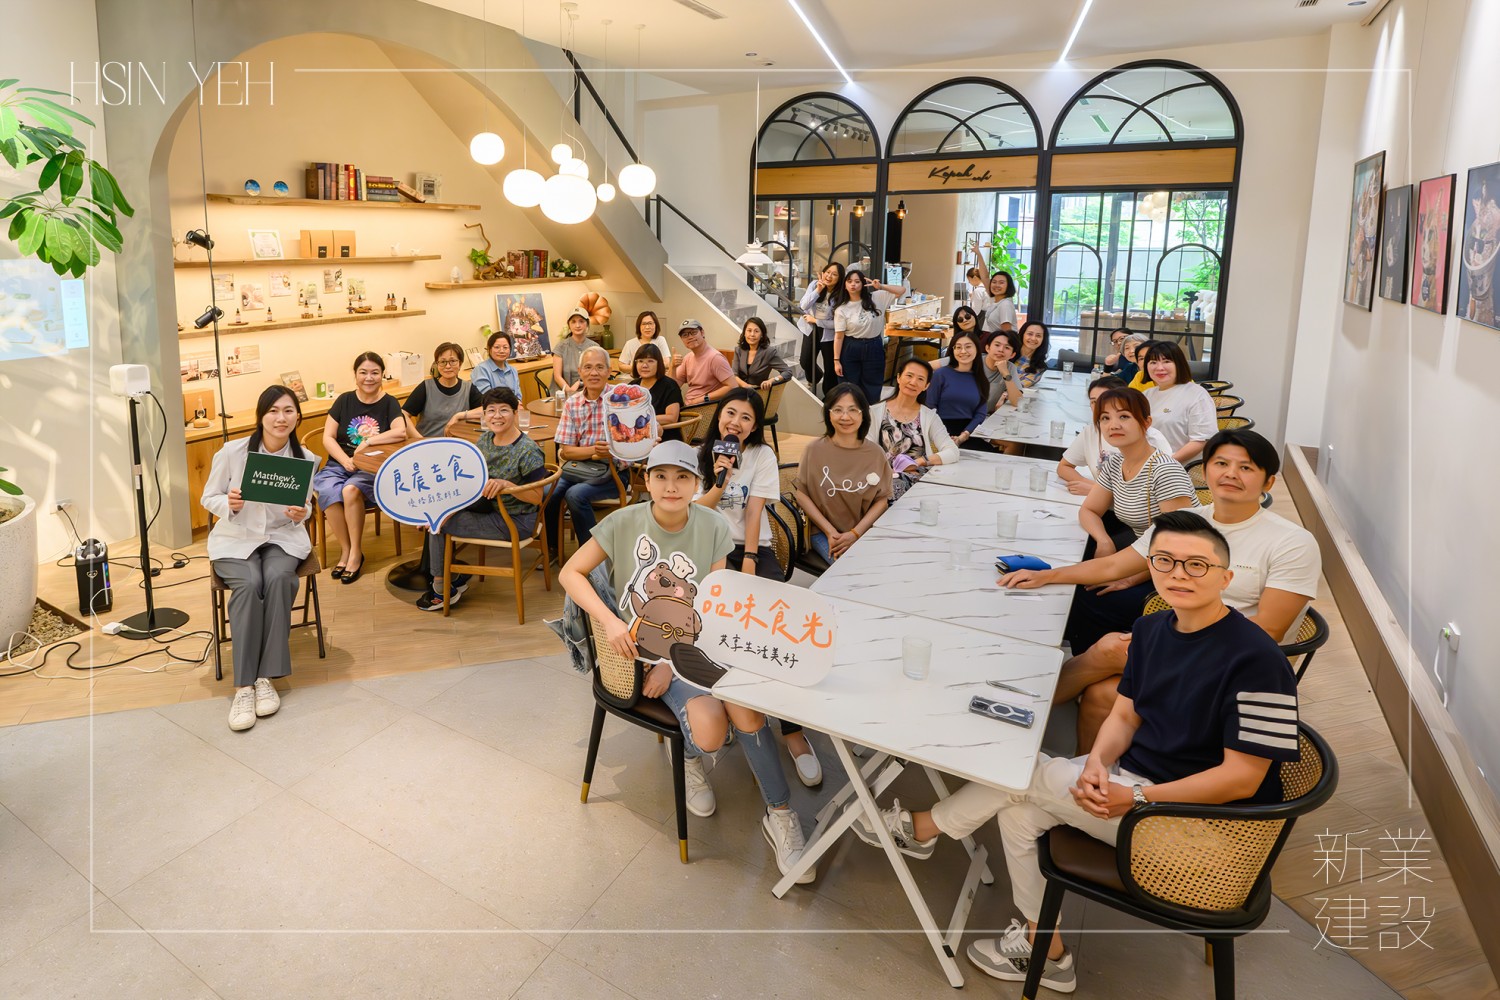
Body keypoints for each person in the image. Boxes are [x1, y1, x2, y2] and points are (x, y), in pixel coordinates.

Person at [852, 511, 1301, 992]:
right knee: (1020, 813)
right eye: (1165, 561)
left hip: (1207, 830)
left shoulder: (1257, 659)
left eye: (1196, 565)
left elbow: (1242, 779)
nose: (1178, 574)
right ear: (1149, 565)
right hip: (1142, 787)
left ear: (1225, 578)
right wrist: (1098, 762)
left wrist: (1138, 798)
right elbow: (1125, 716)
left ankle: (925, 828)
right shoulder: (1152, 630)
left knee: (1029, 775)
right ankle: (1047, 952)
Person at [561, 439, 817, 883]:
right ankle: (690, 757)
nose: (671, 486)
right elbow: (570, 572)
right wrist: (611, 621)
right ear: (647, 480)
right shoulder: (622, 522)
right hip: (641, 654)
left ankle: (780, 814)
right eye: (660, 476)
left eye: (682, 477)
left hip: (698, 649)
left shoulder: (712, 525)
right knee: (712, 736)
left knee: (746, 710)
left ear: (697, 483)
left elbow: (711, 607)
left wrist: (672, 664)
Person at [1006, 429, 1319, 751]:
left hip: (1237, 660)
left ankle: (1022, 706)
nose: (1230, 474)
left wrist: (1171, 642)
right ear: (1205, 470)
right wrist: (1049, 575)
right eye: (1221, 463)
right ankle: (1086, 767)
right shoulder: (1184, 522)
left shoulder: (1291, 542)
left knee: (1110, 648)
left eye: (1246, 468)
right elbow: (1113, 566)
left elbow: (1268, 629)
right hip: (1183, 635)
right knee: (1102, 693)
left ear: (1269, 482)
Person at [693, 389, 825, 787]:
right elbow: (697, 513)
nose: (736, 422)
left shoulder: (762, 455)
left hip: (752, 547)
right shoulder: (700, 454)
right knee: (711, 626)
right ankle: (733, 707)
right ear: (719, 416)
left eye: (746, 417)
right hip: (708, 547)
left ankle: (793, 733)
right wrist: (721, 477)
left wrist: (750, 559)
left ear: (754, 426)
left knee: (776, 630)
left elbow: (754, 512)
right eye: (730, 413)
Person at [202, 385, 316, 731]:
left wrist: (302, 512)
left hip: (282, 537)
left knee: (279, 578)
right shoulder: (232, 452)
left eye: (288, 410)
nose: (281, 418)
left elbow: (306, 506)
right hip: (236, 538)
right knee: (251, 583)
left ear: (298, 416)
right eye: (273, 411)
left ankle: (266, 677)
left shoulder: (305, 459)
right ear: (261, 416)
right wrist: (229, 504)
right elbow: (209, 496)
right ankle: (244, 686)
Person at [415, 387, 548, 612]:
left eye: (504, 410)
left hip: (515, 520)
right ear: (484, 415)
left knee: (438, 525)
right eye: (491, 410)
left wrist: (508, 486)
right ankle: (451, 578)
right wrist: (446, 509)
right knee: (436, 516)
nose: (497, 416)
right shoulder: (486, 440)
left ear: (515, 413)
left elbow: (536, 498)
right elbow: (470, 480)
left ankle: (442, 589)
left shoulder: (528, 451)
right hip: (488, 509)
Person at [311, 352, 408, 584]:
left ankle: (355, 552)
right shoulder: (344, 400)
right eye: (363, 372)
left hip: (371, 468)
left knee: (350, 490)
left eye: (375, 372)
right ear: (355, 375)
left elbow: (401, 431)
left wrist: (368, 442)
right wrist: (345, 460)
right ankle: (346, 550)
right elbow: (328, 437)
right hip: (339, 463)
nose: (369, 378)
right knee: (328, 491)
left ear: (382, 375)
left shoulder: (389, 402)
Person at [1077, 386, 1198, 563]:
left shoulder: (1165, 471)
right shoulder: (1115, 463)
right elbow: (1088, 510)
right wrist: (1104, 541)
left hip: (1173, 562)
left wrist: (1126, 576)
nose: (1113, 425)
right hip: (1143, 549)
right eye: (1105, 418)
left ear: (1146, 422)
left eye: (1124, 416)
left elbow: (1178, 544)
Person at [793, 384, 891, 563]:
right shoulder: (814, 450)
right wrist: (830, 532)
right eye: (838, 410)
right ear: (828, 414)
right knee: (851, 568)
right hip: (824, 532)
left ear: (863, 414)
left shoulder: (876, 453)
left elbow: (881, 501)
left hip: (864, 531)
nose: (845, 417)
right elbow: (802, 494)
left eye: (853, 410)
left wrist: (855, 534)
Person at [544, 345, 621, 555]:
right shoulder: (572, 403)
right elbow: (567, 452)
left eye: (599, 367)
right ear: (580, 372)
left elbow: (632, 444)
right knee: (548, 493)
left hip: (614, 471)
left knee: (575, 495)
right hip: (577, 468)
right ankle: (552, 548)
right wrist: (596, 451)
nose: (593, 373)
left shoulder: (621, 400)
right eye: (588, 367)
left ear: (609, 370)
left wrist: (611, 452)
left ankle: (590, 556)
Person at [1057, 375, 1170, 496]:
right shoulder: (1092, 431)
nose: (1099, 406)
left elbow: (1154, 494)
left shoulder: (1153, 440)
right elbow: (1064, 466)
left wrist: (1097, 491)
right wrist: (1093, 487)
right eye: (1094, 402)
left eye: (1124, 416)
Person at [867, 359, 960, 501]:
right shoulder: (874, 412)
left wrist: (921, 461)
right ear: (899, 378)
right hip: (881, 479)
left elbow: (952, 451)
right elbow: (866, 451)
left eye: (920, 379)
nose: (913, 382)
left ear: (926, 386)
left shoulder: (929, 416)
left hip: (916, 483)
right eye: (909, 376)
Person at [832, 268, 907, 407]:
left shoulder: (877, 297)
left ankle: (871, 414)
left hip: (874, 345)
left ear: (863, 284)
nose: (853, 284)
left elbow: (902, 290)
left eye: (857, 281)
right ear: (845, 285)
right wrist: (836, 360)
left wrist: (881, 286)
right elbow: (839, 337)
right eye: (849, 281)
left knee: (873, 385)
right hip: (851, 346)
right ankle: (853, 413)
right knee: (849, 387)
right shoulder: (841, 309)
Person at [1140, 340, 1217, 464]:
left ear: (1179, 364)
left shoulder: (1197, 394)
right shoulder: (1146, 395)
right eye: (1153, 362)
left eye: (1166, 361)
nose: (1159, 368)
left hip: (1181, 467)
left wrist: (1165, 464)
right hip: (1146, 464)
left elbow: (1200, 440)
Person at [404, 341, 483, 438]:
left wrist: (459, 415)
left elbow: (487, 410)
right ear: (437, 364)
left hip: (457, 444)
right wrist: (420, 440)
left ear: (460, 363)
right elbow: (403, 414)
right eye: (442, 362)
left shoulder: (468, 388)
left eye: (452, 361)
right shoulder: (426, 387)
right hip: (428, 443)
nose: (448, 366)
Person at [926, 329, 990, 449]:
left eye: (968, 347)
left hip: (967, 433)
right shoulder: (941, 374)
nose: (963, 351)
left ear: (977, 349)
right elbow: (930, 407)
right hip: (940, 430)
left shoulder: (982, 380)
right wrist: (942, 434)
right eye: (958, 347)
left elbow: (980, 415)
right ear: (953, 350)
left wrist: (963, 437)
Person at [798, 261, 844, 393]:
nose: (829, 276)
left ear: (840, 278)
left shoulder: (842, 294)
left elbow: (838, 323)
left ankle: (828, 396)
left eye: (834, 274)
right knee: (805, 361)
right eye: (828, 272)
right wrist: (818, 290)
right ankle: (816, 376)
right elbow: (803, 305)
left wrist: (817, 321)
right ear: (823, 273)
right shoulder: (814, 285)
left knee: (830, 367)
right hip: (810, 328)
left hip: (829, 333)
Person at [675, 319, 737, 408]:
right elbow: (673, 386)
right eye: (685, 335)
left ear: (702, 333)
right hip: (689, 406)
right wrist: (672, 366)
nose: (690, 337)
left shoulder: (715, 358)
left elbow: (733, 386)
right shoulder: (687, 358)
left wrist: (704, 399)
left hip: (706, 407)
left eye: (693, 332)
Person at [630, 343, 683, 441]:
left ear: (659, 364)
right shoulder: (632, 386)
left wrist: (641, 419)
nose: (644, 365)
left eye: (650, 361)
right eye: (640, 361)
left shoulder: (670, 385)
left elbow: (672, 418)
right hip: (634, 439)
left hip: (665, 439)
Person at [731, 316, 792, 390]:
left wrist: (772, 380)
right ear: (744, 333)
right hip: (739, 391)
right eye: (749, 330)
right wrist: (745, 386)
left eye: (756, 331)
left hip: (758, 393)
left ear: (762, 335)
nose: (752, 334)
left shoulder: (769, 352)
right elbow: (733, 374)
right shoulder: (739, 350)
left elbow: (788, 372)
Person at [617, 310, 674, 380]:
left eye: (650, 323)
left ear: (656, 325)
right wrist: (639, 369)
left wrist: (643, 368)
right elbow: (621, 366)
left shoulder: (660, 340)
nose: (647, 327)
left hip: (656, 379)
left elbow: (666, 363)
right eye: (644, 324)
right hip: (634, 379)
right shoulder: (630, 343)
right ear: (639, 326)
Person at [552, 307, 594, 394]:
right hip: (563, 393)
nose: (577, 325)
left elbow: (595, 373)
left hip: (588, 391)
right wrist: (570, 392)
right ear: (569, 325)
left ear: (587, 324)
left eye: (581, 321)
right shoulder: (561, 347)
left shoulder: (594, 347)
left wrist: (580, 383)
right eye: (573, 322)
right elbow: (557, 376)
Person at [982, 330, 1024, 413]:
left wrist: (1005, 373)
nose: (1001, 350)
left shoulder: (1010, 367)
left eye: (1007, 347)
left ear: (1012, 355)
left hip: (987, 417)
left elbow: (1017, 401)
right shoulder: (974, 362)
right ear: (987, 348)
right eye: (997, 345)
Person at [471, 327, 521, 396]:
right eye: (497, 347)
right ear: (489, 349)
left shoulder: (513, 370)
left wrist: (517, 401)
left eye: (505, 347)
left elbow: (518, 395)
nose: (502, 351)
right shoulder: (481, 370)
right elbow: (487, 397)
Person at [1014, 320, 1052, 388]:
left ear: (1043, 339)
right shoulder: (1008, 353)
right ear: (1022, 334)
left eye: (1038, 336)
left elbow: (1018, 387)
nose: (1033, 338)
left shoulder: (1039, 367)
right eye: (1030, 334)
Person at [980, 270, 1018, 335]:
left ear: (1008, 286)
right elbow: (985, 278)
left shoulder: (1005, 304)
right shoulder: (995, 301)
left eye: (1001, 283)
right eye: (994, 282)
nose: (997, 285)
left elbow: (1007, 332)